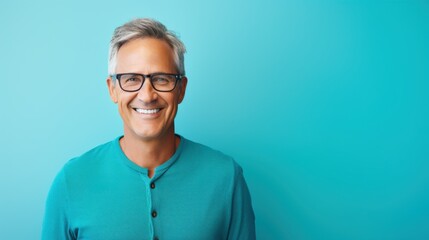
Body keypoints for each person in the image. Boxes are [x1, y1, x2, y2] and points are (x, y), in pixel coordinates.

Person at [41, 18, 256, 240]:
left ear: (181, 89)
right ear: (112, 89)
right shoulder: (72, 181)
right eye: (131, 79)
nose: (147, 96)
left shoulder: (226, 177)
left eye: (162, 79)